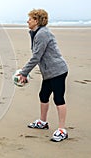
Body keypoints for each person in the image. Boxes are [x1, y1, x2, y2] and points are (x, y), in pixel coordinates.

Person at [18, 9, 68, 142]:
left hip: (57, 71)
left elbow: (36, 57)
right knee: (43, 95)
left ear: (37, 20)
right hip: (48, 72)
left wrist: (24, 73)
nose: (27, 21)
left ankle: (62, 130)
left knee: (58, 98)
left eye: (30, 18)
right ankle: (43, 122)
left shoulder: (42, 34)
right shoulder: (35, 33)